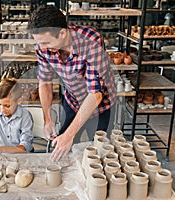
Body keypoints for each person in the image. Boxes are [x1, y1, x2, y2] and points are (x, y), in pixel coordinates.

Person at [27, 5, 117, 161]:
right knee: (61, 147)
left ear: (62, 33)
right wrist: (47, 119)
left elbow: (95, 94)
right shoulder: (43, 48)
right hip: (72, 99)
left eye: (46, 42)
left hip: (100, 105)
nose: (41, 48)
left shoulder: (90, 42)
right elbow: (45, 82)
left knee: (98, 151)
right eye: (39, 43)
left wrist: (69, 135)